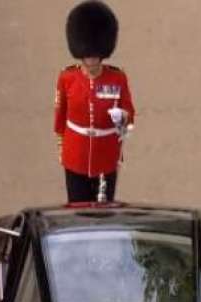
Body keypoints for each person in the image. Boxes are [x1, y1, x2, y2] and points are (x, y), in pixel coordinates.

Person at [55, 1, 134, 203]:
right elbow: (60, 117)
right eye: (87, 57)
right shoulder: (67, 77)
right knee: (76, 209)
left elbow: (129, 113)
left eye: (94, 57)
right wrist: (62, 149)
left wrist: (122, 118)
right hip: (75, 154)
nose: (90, 62)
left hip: (105, 156)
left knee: (103, 213)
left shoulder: (117, 78)